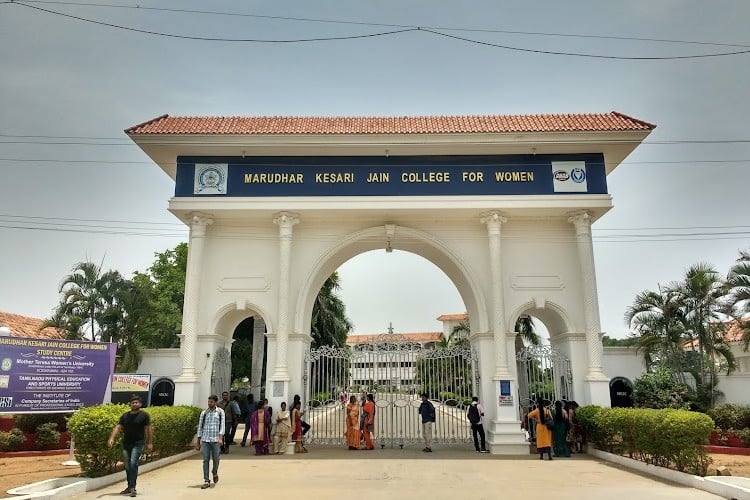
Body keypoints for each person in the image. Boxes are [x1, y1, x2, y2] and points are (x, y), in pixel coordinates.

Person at [107, 395, 153, 497]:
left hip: (138, 443)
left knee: (133, 464)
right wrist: (111, 438)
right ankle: (129, 487)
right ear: (130, 404)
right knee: (127, 467)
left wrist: (150, 442)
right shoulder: (125, 416)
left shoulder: (144, 415)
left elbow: (149, 429)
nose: (135, 404)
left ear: (140, 404)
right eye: (133, 402)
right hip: (126, 444)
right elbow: (118, 427)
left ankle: (133, 487)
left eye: (137, 402)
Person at [196, 395, 225, 489]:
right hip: (205, 440)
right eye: (209, 402)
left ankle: (214, 472)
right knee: (205, 460)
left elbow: (222, 426)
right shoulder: (204, 413)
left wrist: (220, 438)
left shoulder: (220, 412)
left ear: (215, 402)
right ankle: (206, 480)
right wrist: (198, 442)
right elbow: (200, 427)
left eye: (211, 402)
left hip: (216, 440)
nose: (209, 403)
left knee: (216, 459)